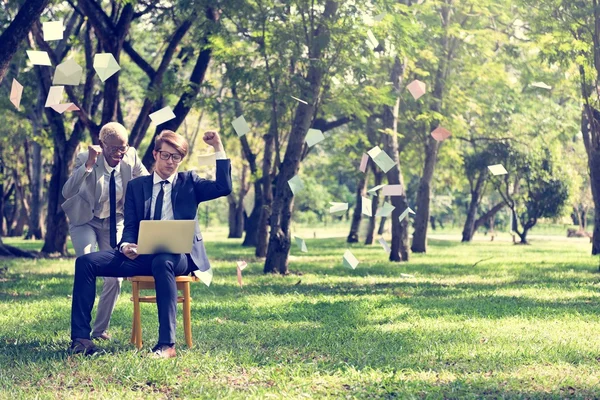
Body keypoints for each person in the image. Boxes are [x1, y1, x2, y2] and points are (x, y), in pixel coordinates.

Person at [68, 129, 232, 358]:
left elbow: (224, 188)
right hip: (142, 256)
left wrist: (218, 146)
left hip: (179, 257)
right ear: (155, 154)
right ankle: (81, 340)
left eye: (176, 157)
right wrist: (126, 245)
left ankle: (167, 345)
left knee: (163, 260)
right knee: (86, 262)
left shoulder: (190, 182)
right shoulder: (137, 186)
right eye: (165, 155)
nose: (170, 162)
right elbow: (131, 225)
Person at [62, 122, 148, 341]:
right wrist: (89, 165)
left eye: (123, 147)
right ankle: (81, 333)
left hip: (114, 219)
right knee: (88, 264)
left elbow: (149, 184)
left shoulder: (131, 157)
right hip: (86, 220)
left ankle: (99, 331)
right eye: (114, 149)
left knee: (115, 278)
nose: (119, 153)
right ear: (102, 145)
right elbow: (67, 191)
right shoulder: (85, 158)